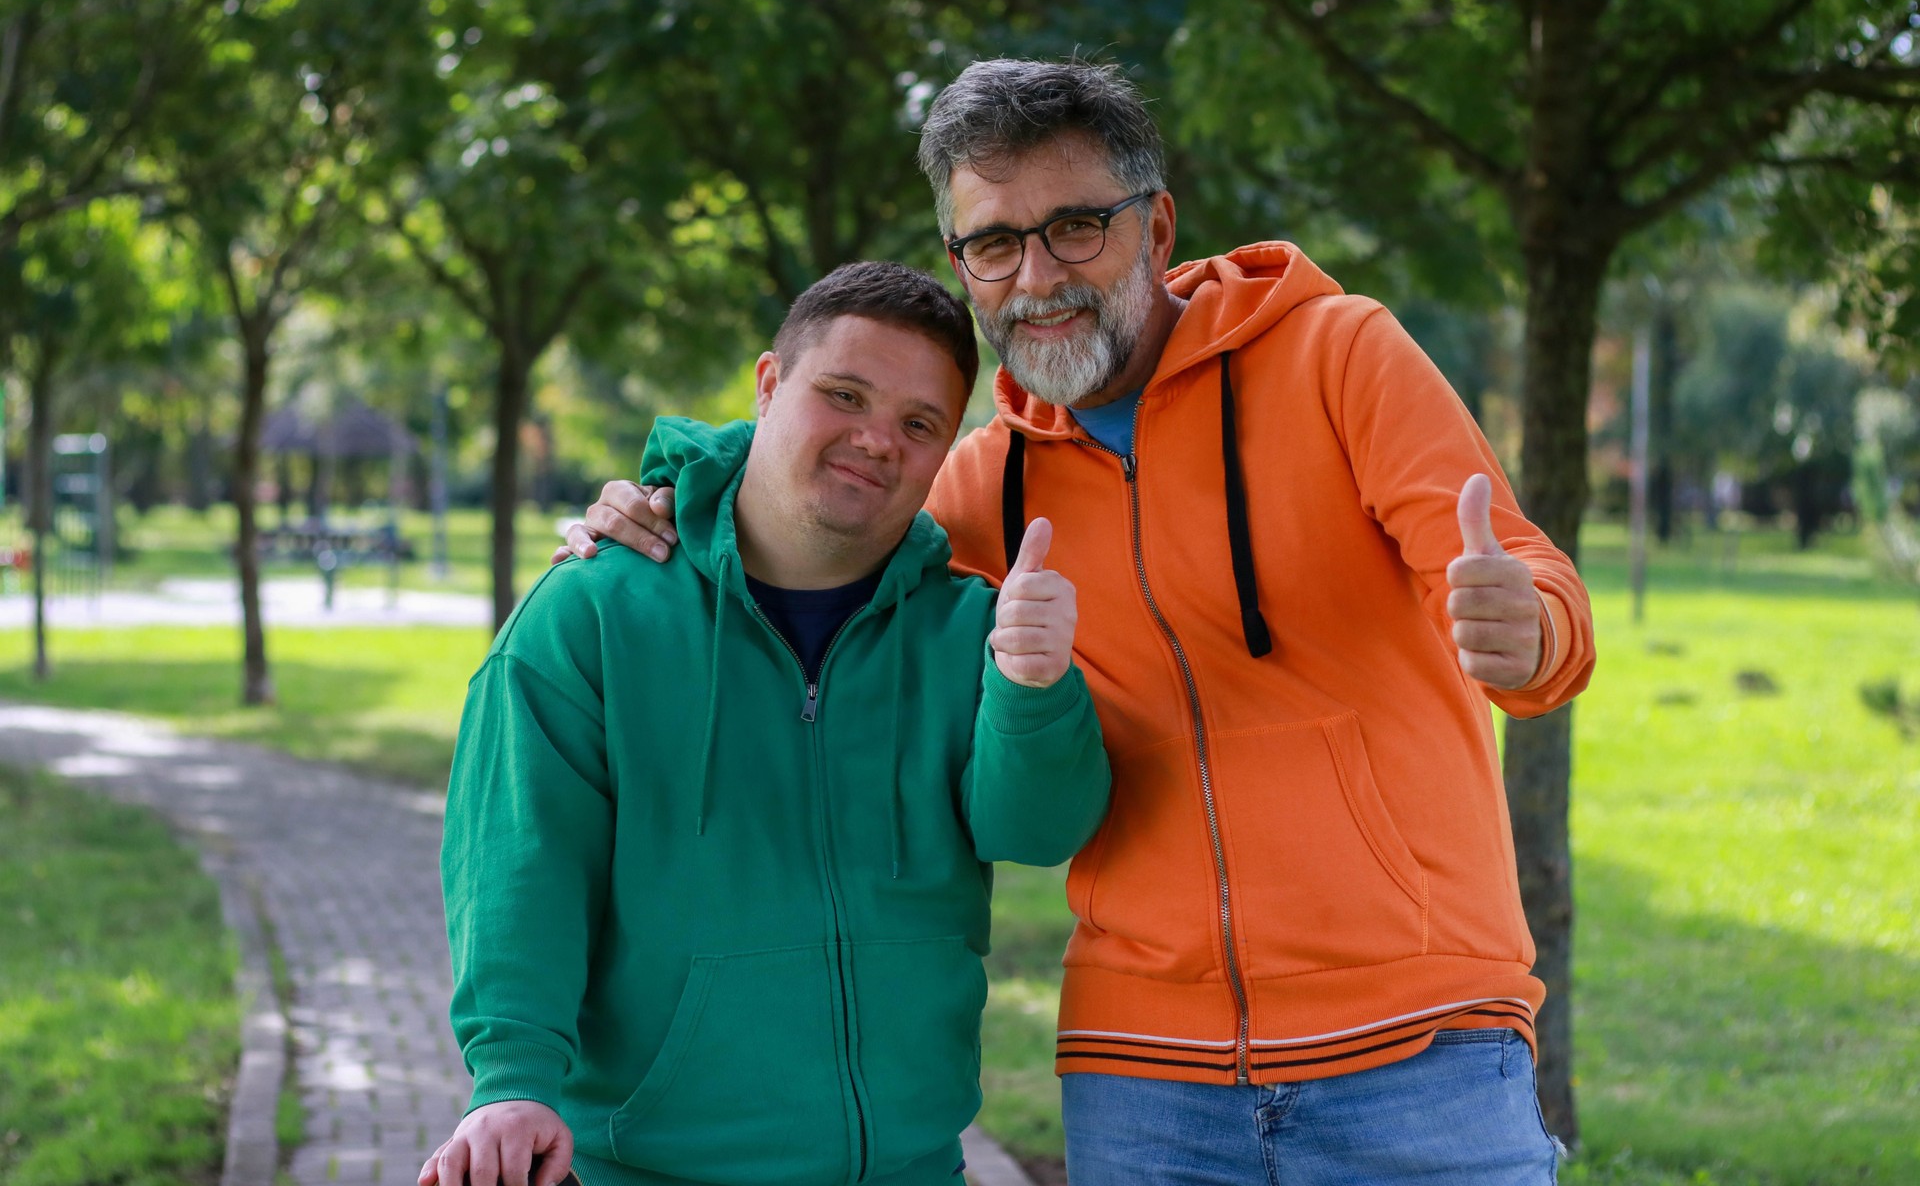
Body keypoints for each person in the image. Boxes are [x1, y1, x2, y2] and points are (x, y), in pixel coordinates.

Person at [563, 60, 1595, 1184]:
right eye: (993, 243)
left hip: (1420, 1047)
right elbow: (810, 504)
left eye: (1075, 228)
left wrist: (1527, 630)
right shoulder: (983, 483)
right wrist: (671, 492)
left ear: (1155, 227)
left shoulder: (1337, 355)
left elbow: (1533, 590)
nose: (1037, 276)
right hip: (1143, 1076)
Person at [428, 260, 1109, 1186]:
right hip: (649, 1169)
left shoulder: (964, 628)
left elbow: (1035, 829)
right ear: (768, 384)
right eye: (845, 394)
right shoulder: (589, 615)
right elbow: (522, 863)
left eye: (918, 425)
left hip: (911, 1169)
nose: (877, 440)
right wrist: (510, 1081)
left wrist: (1034, 685)